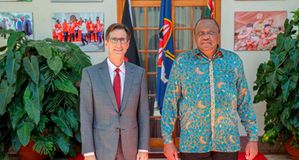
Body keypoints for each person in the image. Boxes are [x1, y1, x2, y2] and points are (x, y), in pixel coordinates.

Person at [161, 17, 258, 160]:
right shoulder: (182, 62)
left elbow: (244, 102)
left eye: (211, 33)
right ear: (195, 37)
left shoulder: (233, 61)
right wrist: (167, 141)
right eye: (201, 33)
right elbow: (170, 103)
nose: (206, 36)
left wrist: (253, 138)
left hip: (227, 142)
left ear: (218, 35)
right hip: (192, 144)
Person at [80, 23, 149, 160]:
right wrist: (88, 152)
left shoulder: (139, 74)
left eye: (122, 39)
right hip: (101, 149)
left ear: (128, 44)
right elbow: (86, 115)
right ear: (106, 42)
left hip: (131, 149)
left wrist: (143, 148)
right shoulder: (90, 74)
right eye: (114, 39)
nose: (118, 44)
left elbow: (143, 113)